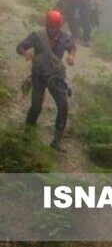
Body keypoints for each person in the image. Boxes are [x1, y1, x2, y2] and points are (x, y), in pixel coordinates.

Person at [17, 10, 76, 151]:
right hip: (39, 75)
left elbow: (72, 46)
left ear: (59, 26)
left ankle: (57, 140)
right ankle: (28, 132)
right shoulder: (38, 36)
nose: (53, 30)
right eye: (50, 27)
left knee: (63, 106)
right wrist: (25, 52)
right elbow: (20, 46)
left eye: (56, 28)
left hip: (56, 76)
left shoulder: (64, 37)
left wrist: (71, 56)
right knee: (36, 105)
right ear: (46, 25)